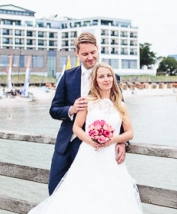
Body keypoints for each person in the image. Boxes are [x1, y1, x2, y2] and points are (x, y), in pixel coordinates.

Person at [11, 63, 161, 214]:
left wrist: (111, 140)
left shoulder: (121, 105)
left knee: (112, 201)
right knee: (83, 199)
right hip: (89, 156)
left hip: (110, 160)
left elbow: (129, 133)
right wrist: (91, 140)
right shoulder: (87, 103)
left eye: (109, 76)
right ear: (96, 80)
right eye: (102, 76)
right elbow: (75, 128)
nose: (106, 79)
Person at [48, 33, 125, 194]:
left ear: (98, 50)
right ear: (77, 53)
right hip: (66, 142)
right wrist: (71, 109)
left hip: (94, 148)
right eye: (85, 54)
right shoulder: (68, 76)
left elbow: (119, 111)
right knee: (54, 189)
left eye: (93, 52)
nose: (90, 57)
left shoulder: (111, 78)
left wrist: (122, 142)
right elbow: (54, 110)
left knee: (85, 192)